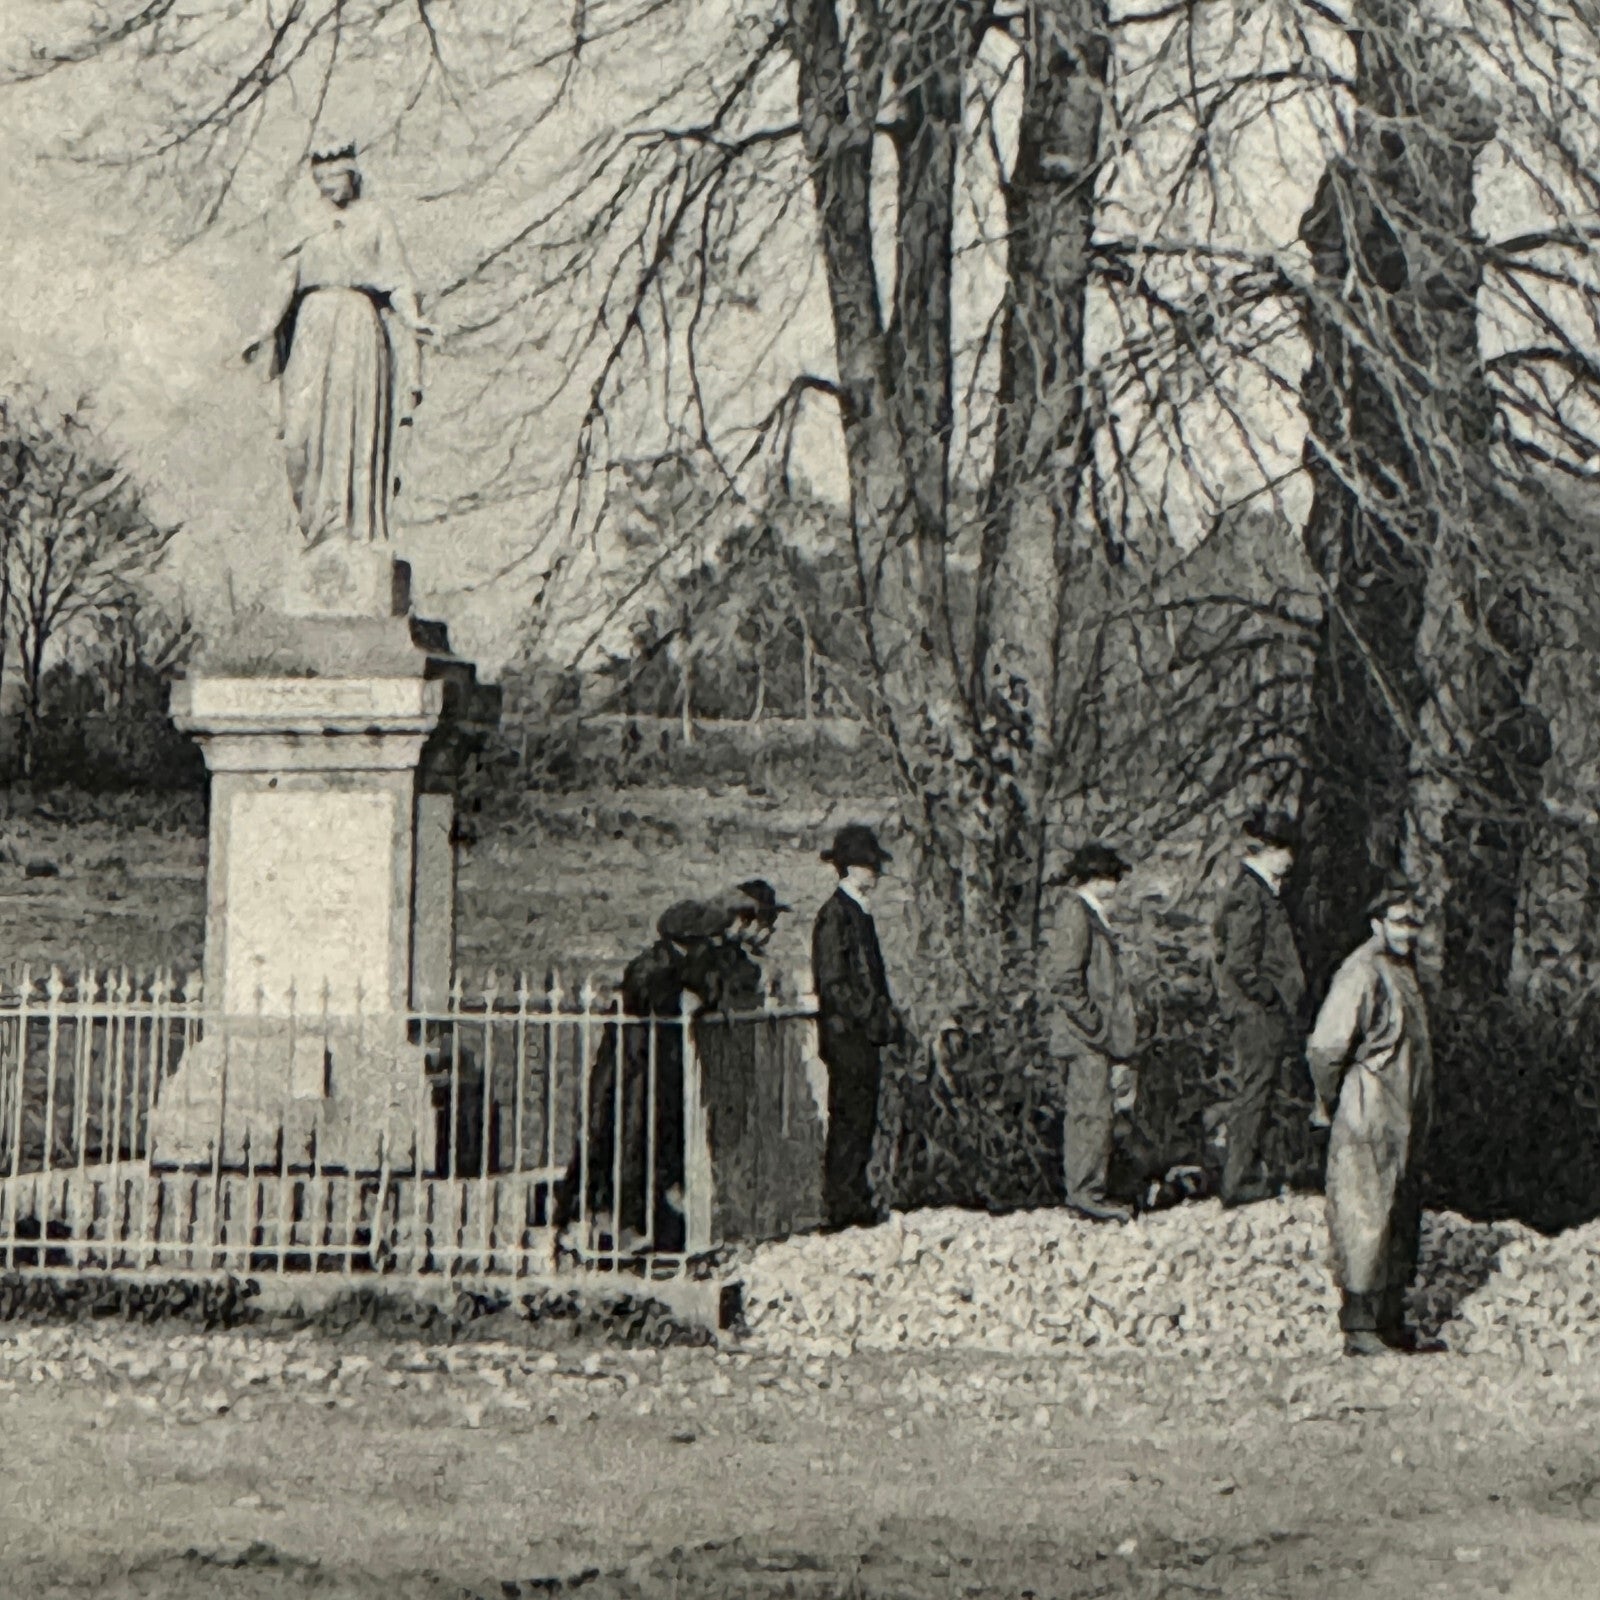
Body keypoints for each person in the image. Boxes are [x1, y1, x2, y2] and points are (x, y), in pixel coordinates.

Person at [242, 143, 431, 547]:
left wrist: (413, 317)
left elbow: (398, 279)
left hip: (358, 328)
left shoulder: (375, 219)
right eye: (321, 180)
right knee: (298, 435)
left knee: (353, 429)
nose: (329, 188)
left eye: (336, 177)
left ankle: (352, 533)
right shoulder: (305, 222)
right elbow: (283, 282)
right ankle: (314, 523)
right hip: (312, 327)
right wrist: (262, 330)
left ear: (353, 174)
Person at [553, 898, 734, 1254]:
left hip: (656, 1074)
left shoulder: (684, 965)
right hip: (631, 1075)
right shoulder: (652, 965)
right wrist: (681, 996)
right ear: (689, 940)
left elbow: (709, 992)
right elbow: (649, 995)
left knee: (654, 1148)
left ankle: (637, 1225)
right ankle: (603, 1224)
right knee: (623, 1147)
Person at [1306, 884, 1434, 1357]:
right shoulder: (1360, 971)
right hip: (1368, 1108)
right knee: (1364, 1213)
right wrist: (1332, 1100)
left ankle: (1390, 1321)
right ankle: (1359, 1326)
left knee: (1400, 1213)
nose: (1408, 931)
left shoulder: (1402, 972)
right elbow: (1325, 1045)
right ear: (1376, 921)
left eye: (1413, 922)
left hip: (1404, 1114)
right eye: (1399, 921)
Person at [1039, 842, 1139, 1223]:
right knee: (1089, 1115)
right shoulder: (1075, 912)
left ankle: (1091, 1190)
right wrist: (1097, 1027)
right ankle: (1085, 1194)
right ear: (1091, 879)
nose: (1114, 885)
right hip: (1085, 1039)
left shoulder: (1088, 913)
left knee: (1097, 1114)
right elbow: (1064, 980)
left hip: (1092, 1038)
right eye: (1108, 877)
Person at [1212, 808, 1307, 1206]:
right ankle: (1238, 1181)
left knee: (1263, 1092)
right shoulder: (1251, 893)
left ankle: (1254, 1173)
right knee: (1253, 1092)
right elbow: (1239, 963)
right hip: (1256, 1013)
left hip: (1261, 1011)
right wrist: (1268, 996)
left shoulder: (1262, 890)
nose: (1291, 858)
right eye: (1285, 848)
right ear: (1267, 849)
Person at [811, 825, 902, 1231]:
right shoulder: (835, 916)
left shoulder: (856, 912)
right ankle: (842, 1204)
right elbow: (833, 984)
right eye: (870, 865)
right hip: (847, 1034)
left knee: (862, 1116)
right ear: (850, 868)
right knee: (849, 1117)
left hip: (861, 1034)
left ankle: (855, 1198)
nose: (876, 872)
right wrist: (872, 1014)